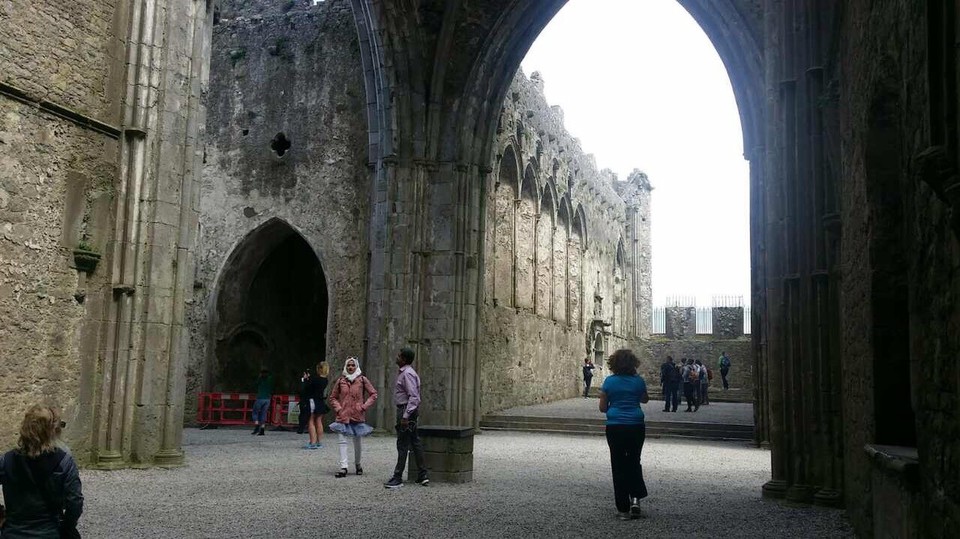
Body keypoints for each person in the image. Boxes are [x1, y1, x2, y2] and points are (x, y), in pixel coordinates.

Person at [0, 405, 83, 538]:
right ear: (52, 431)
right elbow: (75, 501)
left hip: (13, 533)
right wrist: (67, 527)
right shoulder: (64, 462)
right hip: (50, 533)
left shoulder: (6, 460)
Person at [598, 349, 649, 521]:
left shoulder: (609, 382)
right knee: (634, 461)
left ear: (614, 364)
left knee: (618, 465)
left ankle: (623, 510)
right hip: (635, 425)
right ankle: (635, 499)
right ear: (633, 364)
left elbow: (603, 408)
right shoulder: (639, 381)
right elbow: (644, 400)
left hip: (615, 426)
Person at [384, 348, 429, 488]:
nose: (396, 357)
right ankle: (422, 475)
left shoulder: (407, 374)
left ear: (403, 359)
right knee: (414, 442)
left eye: (398, 355)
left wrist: (405, 416)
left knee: (403, 443)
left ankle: (397, 477)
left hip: (405, 410)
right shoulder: (408, 373)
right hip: (408, 410)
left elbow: (414, 396)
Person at [328, 357, 378, 477]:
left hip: (357, 414)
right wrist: (339, 409)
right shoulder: (341, 380)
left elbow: (373, 394)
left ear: (356, 367)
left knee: (357, 442)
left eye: (353, 365)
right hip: (343, 415)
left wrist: (364, 406)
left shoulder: (362, 379)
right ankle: (343, 467)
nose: (350, 367)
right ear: (346, 367)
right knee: (342, 441)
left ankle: (358, 464)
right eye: (348, 365)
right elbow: (333, 397)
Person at [302, 361, 330, 449]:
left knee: (310, 420)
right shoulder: (325, 380)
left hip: (312, 400)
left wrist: (305, 379)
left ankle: (312, 442)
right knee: (319, 421)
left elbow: (307, 388)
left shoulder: (315, 379)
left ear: (319, 369)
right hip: (320, 401)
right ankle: (319, 442)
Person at [251, 368, 273, 435]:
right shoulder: (270, 380)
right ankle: (262, 429)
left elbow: (255, 385)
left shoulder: (260, 380)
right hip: (267, 399)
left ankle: (257, 425)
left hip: (260, 398)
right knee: (264, 413)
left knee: (255, 412)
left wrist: (259, 377)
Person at [297, 369, 311, 435]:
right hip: (304, 399)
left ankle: (306, 428)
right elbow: (301, 389)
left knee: (306, 415)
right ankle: (301, 428)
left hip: (308, 399)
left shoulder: (310, 381)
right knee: (303, 415)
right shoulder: (303, 381)